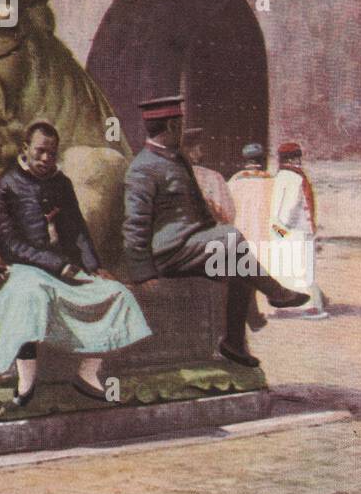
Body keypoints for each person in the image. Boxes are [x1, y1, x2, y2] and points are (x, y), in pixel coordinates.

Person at [122, 95, 309, 368]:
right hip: (169, 253)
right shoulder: (142, 168)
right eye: (181, 123)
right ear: (173, 126)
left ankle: (233, 344)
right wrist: (142, 272)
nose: (183, 129)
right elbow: (134, 224)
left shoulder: (176, 159)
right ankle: (277, 293)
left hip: (193, 245)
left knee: (240, 267)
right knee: (231, 239)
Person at [0, 121, 151, 405]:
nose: (47, 159)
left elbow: (77, 229)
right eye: (40, 152)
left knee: (119, 294)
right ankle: (26, 382)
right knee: (29, 296)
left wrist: (94, 266)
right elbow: (10, 245)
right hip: (23, 268)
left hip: (65, 269)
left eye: (52, 152)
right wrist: (57, 265)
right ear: (25, 149)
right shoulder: (2, 188)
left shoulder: (61, 183)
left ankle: (87, 373)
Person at [269, 141, 327, 318]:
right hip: (295, 231)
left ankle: (291, 306)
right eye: (297, 157)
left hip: (284, 230)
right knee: (302, 269)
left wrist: (281, 233)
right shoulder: (294, 177)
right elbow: (290, 206)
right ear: (294, 158)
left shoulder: (281, 177)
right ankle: (307, 307)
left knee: (289, 268)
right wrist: (286, 231)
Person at [228, 142, 275, 332]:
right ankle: (256, 313)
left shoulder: (234, 182)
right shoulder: (272, 181)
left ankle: (252, 313)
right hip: (264, 234)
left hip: (241, 233)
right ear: (261, 160)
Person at [181, 129, 235, 224]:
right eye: (199, 148)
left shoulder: (159, 177)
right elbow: (227, 213)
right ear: (193, 151)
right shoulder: (212, 177)